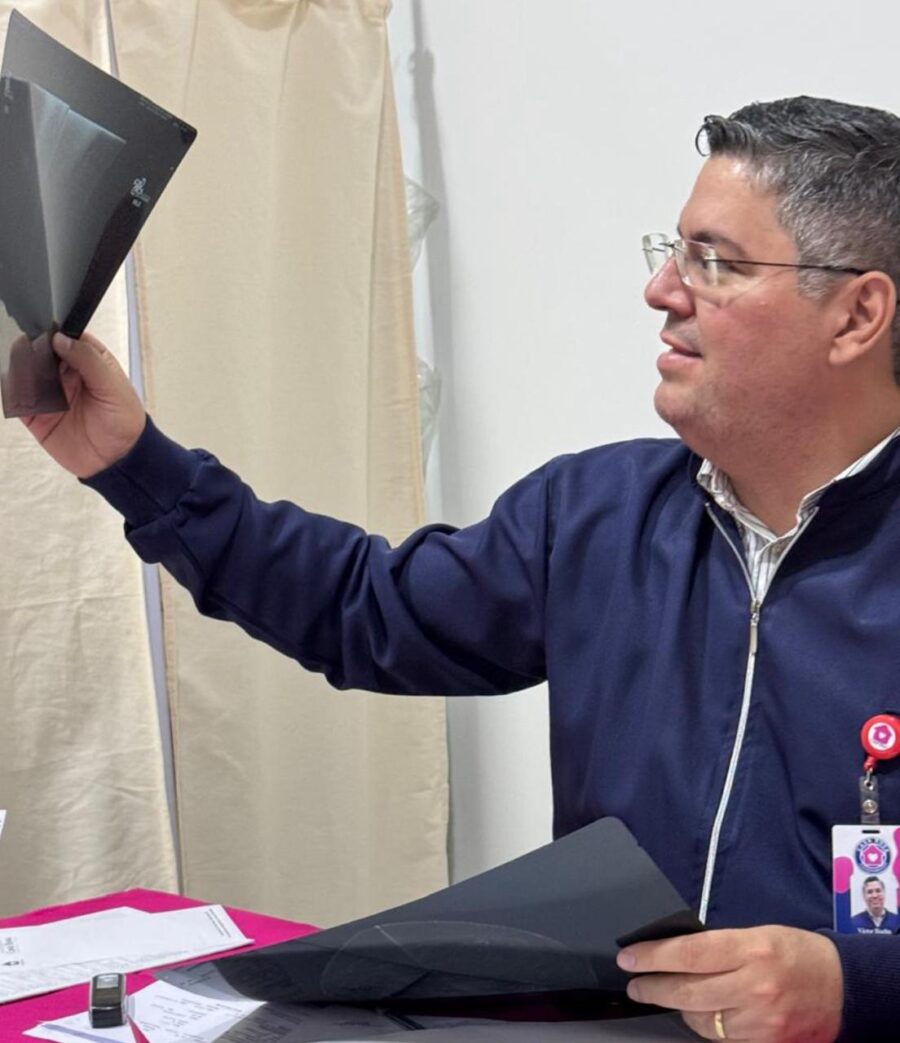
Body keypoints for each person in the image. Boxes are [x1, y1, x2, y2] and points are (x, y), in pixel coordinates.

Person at [22, 94, 900, 1041]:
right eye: (672, 251)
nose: (662, 290)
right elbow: (365, 608)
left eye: (715, 262)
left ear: (857, 314)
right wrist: (134, 463)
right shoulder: (595, 515)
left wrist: (853, 983)